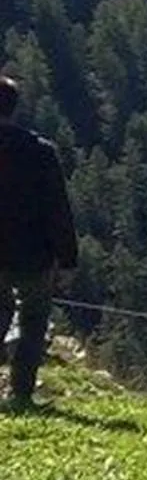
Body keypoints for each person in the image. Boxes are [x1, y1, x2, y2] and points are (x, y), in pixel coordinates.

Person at [0, 75, 77, 412]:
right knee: (33, 320)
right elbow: (57, 207)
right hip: (32, 251)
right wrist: (67, 257)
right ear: (14, 108)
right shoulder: (40, 151)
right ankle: (21, 390)